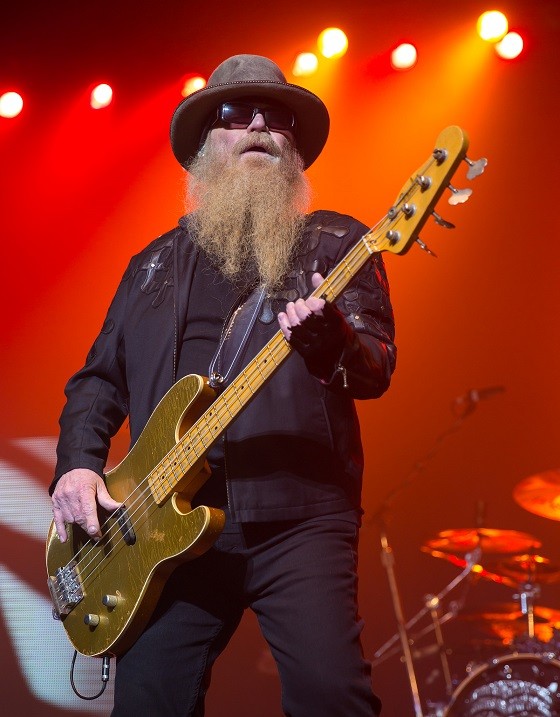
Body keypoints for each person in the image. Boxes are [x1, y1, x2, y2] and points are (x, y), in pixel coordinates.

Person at [50, 54, 396, 716]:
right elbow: (97, 381)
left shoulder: (336, 245)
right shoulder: (150, 265)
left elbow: (376, 366)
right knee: (148, 703)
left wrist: (331, 341)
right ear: (206, 144)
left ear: (295, 147)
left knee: (333, 696)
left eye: (279, 116)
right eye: (238, 114)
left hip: (299, 517)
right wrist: (76, 467)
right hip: (162, 531)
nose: (261, 125)